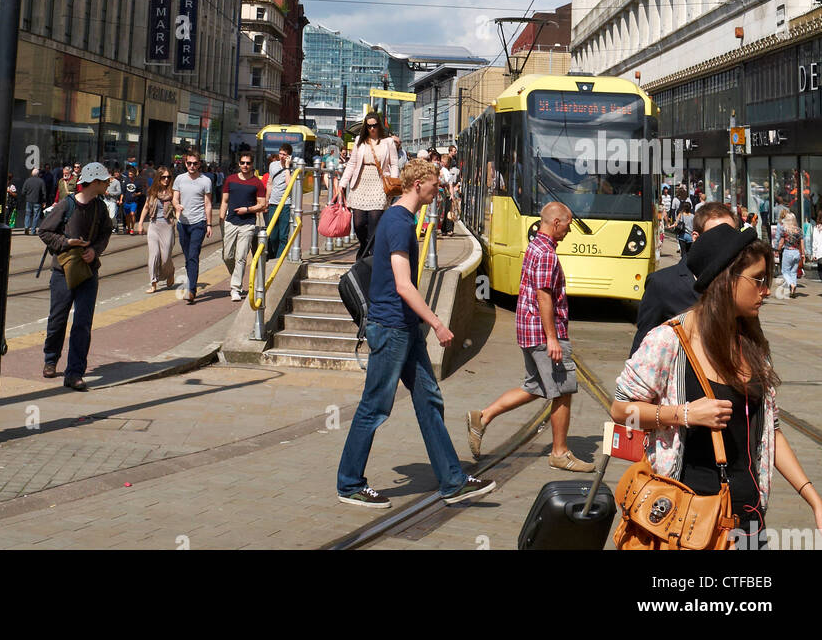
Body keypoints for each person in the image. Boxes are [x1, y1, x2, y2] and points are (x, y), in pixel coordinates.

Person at [610, 224, 822, 549]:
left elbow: (770, 432)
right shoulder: (669, 342)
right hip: (686, 521)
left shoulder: (752, 344)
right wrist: (683, 414)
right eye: (759, 279)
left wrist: (813, 498)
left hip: (748, 521)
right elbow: (622, 412)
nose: (767, 290)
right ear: (727, 280)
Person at [337, 158, 495, 509]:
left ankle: (453, 481)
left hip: (404, 327)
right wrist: (437, 323)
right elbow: (404, 285)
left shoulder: (403, 219)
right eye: (434, 183)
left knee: (428, 399)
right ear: (417, 184)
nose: (437, 188)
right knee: (375, 406)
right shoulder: (398, 222)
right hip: (392, 327)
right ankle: (349, 483)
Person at [467, 201, 593, 471]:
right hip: (543, 332)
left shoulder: (535, 245)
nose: (570, 230)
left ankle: (483, 416)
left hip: (527, 330)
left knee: (534, 387)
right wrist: (552, 338)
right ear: (556, 222)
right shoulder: (547, 253)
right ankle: (559, 452)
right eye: (568, 225)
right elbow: (543, 297)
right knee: (562, 391)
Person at [38, 162, 112, 391]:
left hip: (88, 272)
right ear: (95, 182)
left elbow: (105, 232)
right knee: (57, 319)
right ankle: (51, 359)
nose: (108, 184)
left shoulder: (101, 208)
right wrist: (66, 242)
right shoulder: (66, 205)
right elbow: (44, 231)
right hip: (63, 271)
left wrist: (95, 251)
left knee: (82, 323)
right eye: (105, 181)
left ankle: (74, 373)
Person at [630, 202, 738, 355]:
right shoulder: (662, 284)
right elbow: (642, 346)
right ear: (696, 237)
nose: (724, 244)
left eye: (730, 237)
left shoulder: (738, 284)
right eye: (716, 236)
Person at [339, 111, 399, 261]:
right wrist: (342, 183)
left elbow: (394, 164)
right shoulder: (360, 140)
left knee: (374, 222)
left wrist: (394, 181)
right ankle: (364, 247)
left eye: (375, 125)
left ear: (379, 126)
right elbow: (352, 163)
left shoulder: (388, 142)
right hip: (360, 182)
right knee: (358, 223)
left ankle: (370, 256)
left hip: (379, 182)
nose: (372, 129)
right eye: (369, 126)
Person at [220, 153, 267, 302]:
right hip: (230, 222)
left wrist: (247, 210)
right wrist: (222, 219)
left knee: (241, 257)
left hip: (248, 223)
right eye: (242, 163)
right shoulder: (230, 180)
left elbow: (262, 204)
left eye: (248, 163)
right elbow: (224, 201)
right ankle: (236, 278)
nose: (245, 165)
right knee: (227, 256)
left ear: (252, 164)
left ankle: (235, 288)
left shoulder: (257, 183)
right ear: (238, 164)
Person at [173, 151, 213, 303]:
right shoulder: (179, 179)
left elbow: (208, 204)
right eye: (189, 163)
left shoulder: (205, 181)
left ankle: (191, 290)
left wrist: (209, 224)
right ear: (185, 163)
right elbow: (175, 199)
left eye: (195, 163)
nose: (192, 166)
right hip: (183, 223)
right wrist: (177, 206)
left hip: (199, 223)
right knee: (187, 256)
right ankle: (191, 284)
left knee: (193, 255)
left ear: (199, 164)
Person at [138, 168, 176, 294]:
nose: (166, 179)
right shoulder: (152, 192)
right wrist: (140, 223)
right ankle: (153, 283)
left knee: (165, 258)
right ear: (158, 178)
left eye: (168, 177)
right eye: (163, 177)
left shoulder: (173, 192)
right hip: (153, 226)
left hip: (167, 226)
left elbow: (177, 207)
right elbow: (146, 207)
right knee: (154, 255)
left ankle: (170, 272)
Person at [265, 143, 294, 260]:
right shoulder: (273, 165)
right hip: (273, 203)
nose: (281, 156)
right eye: (280, 153)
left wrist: (287, 167)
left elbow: (289, 184)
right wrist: (267, 200)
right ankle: (275, 256)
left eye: (284, 155)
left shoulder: (293, 168)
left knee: (283, 235)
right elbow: (270, 183)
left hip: (285, 204)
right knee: (272, 235)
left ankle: (278, 259)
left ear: (289, 156)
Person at [775, 207, 805, 300]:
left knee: (785, 271)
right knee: (793, 272)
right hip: (796, 252)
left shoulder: (785, 230)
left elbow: (781, 242)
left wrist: (777, 250)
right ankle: (793, 288)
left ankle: (791, 284)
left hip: (788, 251)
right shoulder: (799, 230)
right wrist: (803, 254)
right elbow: (802, 244)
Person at [21, 169, 47, 235]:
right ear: (38, 174)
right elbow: (44, 192)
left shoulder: (27, 180)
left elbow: (23, 191)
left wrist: (26, 196)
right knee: (36, 216)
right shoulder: (41, 181)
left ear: (32, 174)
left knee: (28, 214)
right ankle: (33, 230)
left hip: (29, 200)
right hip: (37, 201)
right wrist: (44, 201)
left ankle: (26, 227)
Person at [122, 166, 143, 235]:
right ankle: (128, 228)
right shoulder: (126, 181)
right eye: (129, 174)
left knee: (132, 214)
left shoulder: (137, 182)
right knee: (127, 216)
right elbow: (123, 192)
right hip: (126, 201)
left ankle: (132, 228)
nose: (129, 175)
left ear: (134, 174)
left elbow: (140, 192)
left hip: (134, 202)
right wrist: (121, 200)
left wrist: (136, 194)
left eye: (131, 174)